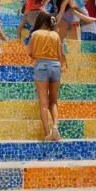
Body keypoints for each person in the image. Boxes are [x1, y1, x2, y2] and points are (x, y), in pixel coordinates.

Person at [27, 11, 66, 141]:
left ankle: (46, 134)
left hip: (41, 66)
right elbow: (60, 55)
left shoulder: (36, 34)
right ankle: (55, 127)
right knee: (53, 101)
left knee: (44, 102)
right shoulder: (55, 35)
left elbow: (29, 52)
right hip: (55, 66)